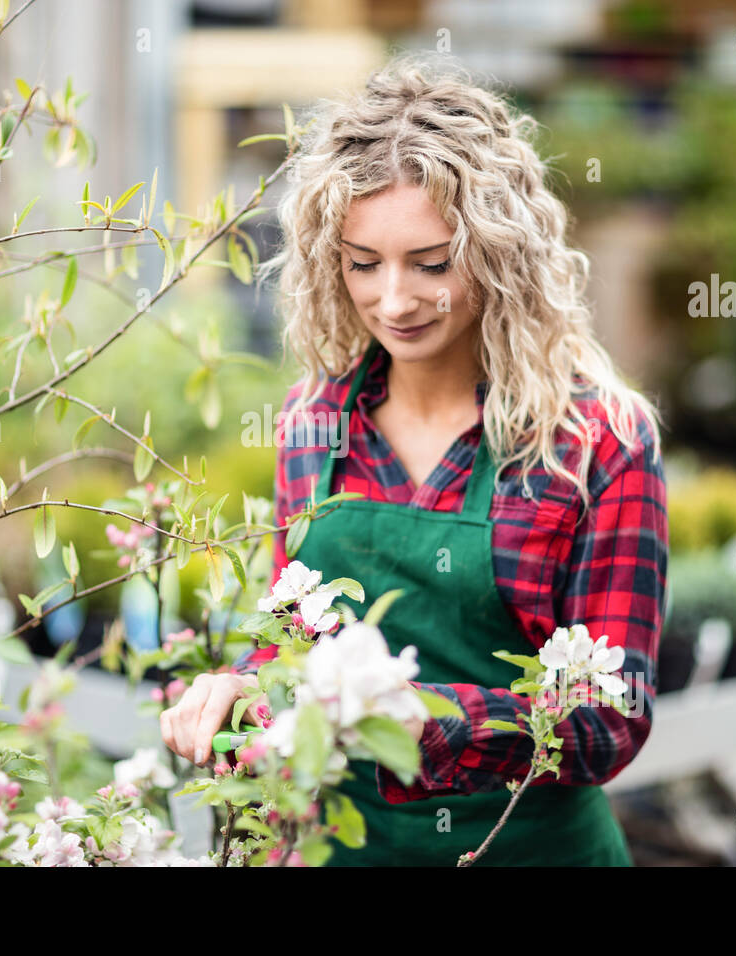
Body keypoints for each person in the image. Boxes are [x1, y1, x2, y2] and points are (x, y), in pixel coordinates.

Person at [159, 56, 669, 866]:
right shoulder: (313, 423)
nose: (394, 300)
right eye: (365, 263)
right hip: (345, 849)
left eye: (431, 263)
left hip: (530, 850)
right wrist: (241, 687)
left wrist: (419, 719)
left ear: (500, 253)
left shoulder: (597, 442)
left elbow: (611, 716)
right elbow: (292, 634)